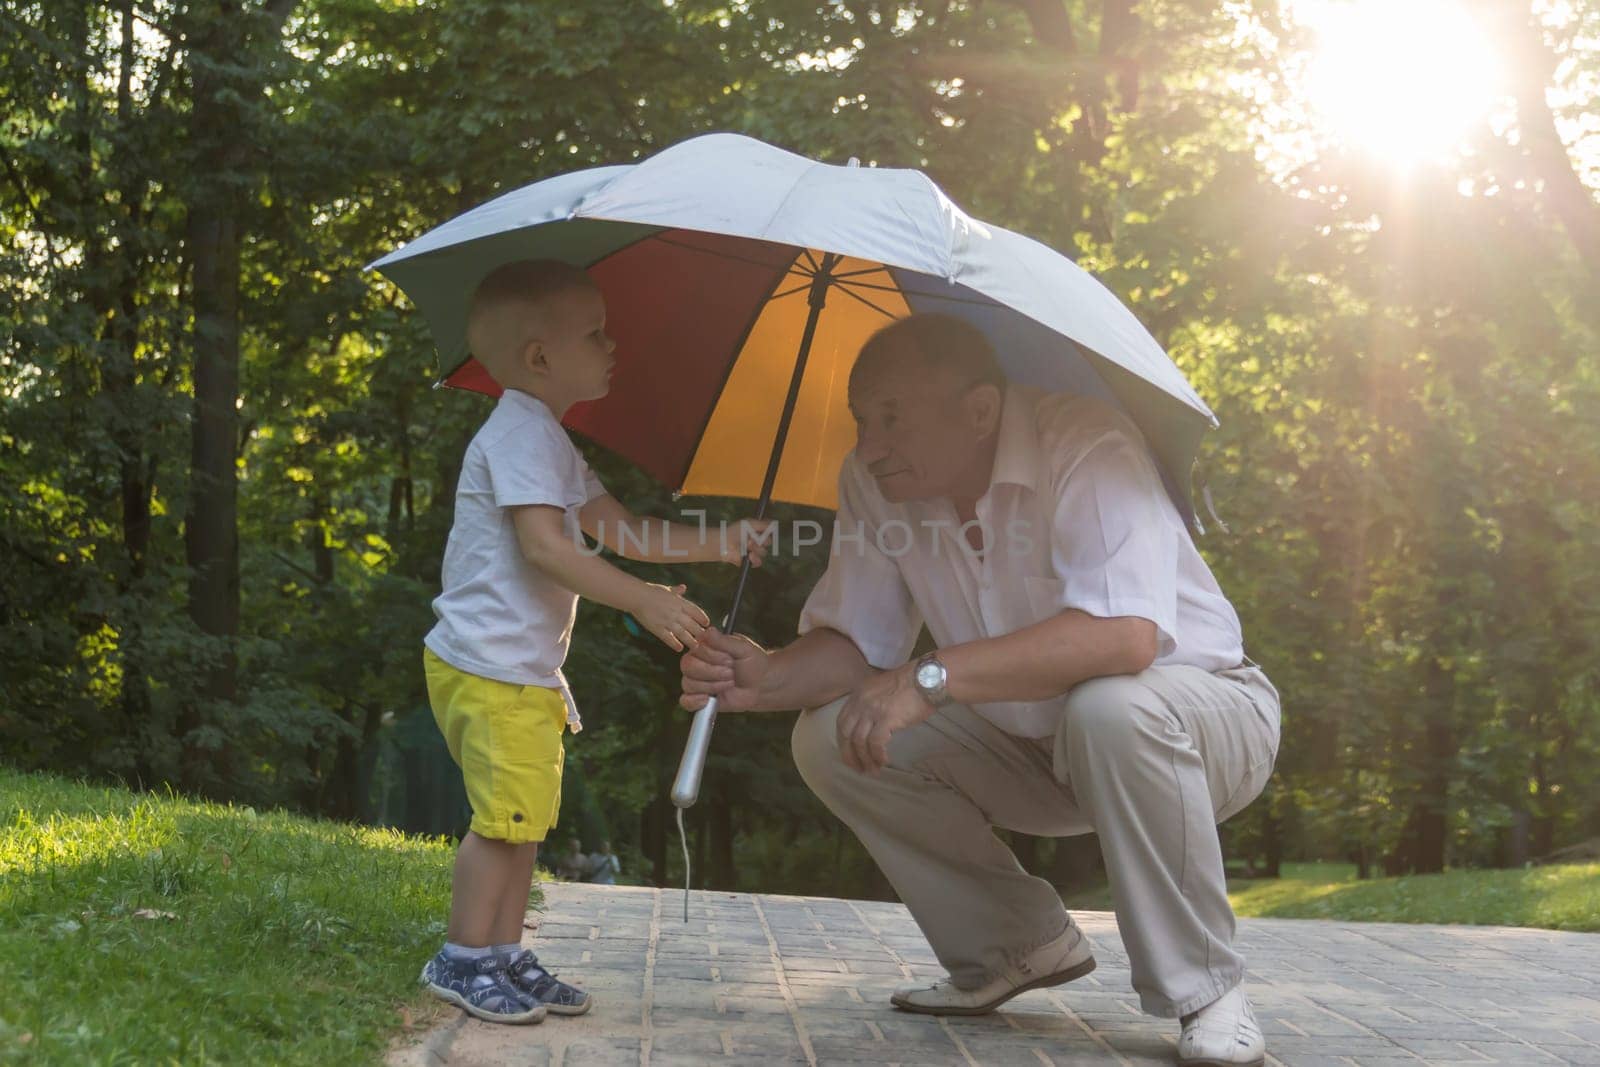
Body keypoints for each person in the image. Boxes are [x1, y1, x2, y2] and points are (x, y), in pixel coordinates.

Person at [680, 313, 1280, 1066]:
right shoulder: (877, 484)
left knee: (1110, 704)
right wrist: (764, 673)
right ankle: (1015, 944)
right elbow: (857, 646)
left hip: (1200, 720)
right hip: (1038, 742)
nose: (870, 444)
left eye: (892, 417)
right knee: (832, 734)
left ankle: (1208, 989)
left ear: (980, 411)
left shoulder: (1089, 442)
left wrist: (932, 677)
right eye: (862, 419)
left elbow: (1124, 636)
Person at [420, 258, 768, 1025]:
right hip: (488, 666)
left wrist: (722, 542)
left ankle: (504, 952)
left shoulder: (548, 440)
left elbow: (620, 529)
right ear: (540, 358)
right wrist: (640, 600)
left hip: (524, 671)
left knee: (527, 818)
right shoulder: (516, 433)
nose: (614, 346)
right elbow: (548, 547)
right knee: (503, 820)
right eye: (596, 333)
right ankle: (461, 956)